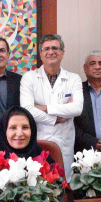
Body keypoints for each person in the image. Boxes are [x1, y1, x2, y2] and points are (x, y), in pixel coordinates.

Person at [20, 34, 83, 180]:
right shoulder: (29, 78)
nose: (51, 52)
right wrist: (55, 119)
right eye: (46, 49)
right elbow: (27, 110)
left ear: (62, 53)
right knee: (37, 183)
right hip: (38, 141)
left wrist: (44, 108)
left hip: (64, 143)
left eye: (55, 48)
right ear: (41, 54)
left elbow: (77, 108)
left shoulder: (73, 78)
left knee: (63, 184)